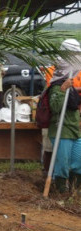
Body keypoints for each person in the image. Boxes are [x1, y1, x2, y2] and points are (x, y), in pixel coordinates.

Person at [47, 38, 81, 193]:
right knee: (63, 163)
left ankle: (75, 191)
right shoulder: (56, 83)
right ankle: (61, 190)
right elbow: (55, 107)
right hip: (62, 129)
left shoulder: (74, 82)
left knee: (78, 162)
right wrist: (62, 90)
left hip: (75, 129)